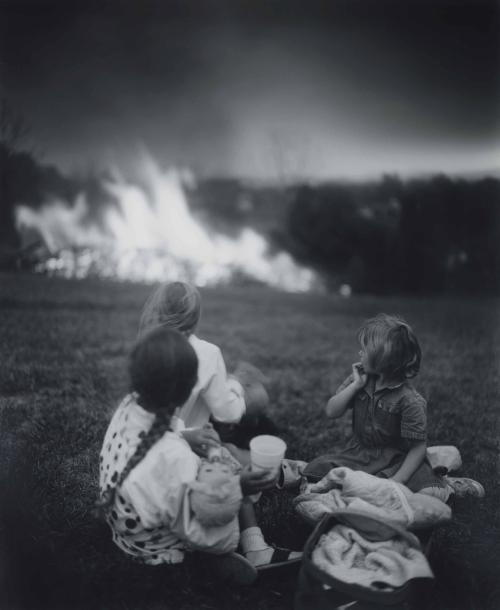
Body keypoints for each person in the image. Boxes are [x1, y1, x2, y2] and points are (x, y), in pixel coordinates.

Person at [97, 327, 300, 582]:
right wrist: (238, 488)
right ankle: (246, 550)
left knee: (219, 457)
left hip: (125, 525)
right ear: (186, 392)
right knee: (223, 469)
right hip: (154, 548)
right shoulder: (172, 457)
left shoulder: (130, 405)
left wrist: (185, 436)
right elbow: (195, 520)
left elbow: (155, 453)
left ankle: (232, 549)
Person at [303, 313, 484, 500]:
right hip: (360, 454)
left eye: (364, 349)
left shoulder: (410, 401)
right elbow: (332, 411)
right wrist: (355, 385)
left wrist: (397, 480)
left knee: (428, 493)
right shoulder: (359, 381)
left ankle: (448, 486)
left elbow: (417, 448)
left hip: (398, 460)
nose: (360, 353)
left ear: (382, 360)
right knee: (316, 468)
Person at [138, 281, 277, 461]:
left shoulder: (146, 349)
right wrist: (240, 388)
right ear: (196, 318)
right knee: (245, 458)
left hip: (149, 440)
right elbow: (227, 413)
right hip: (189, 446)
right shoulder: (207, 353)